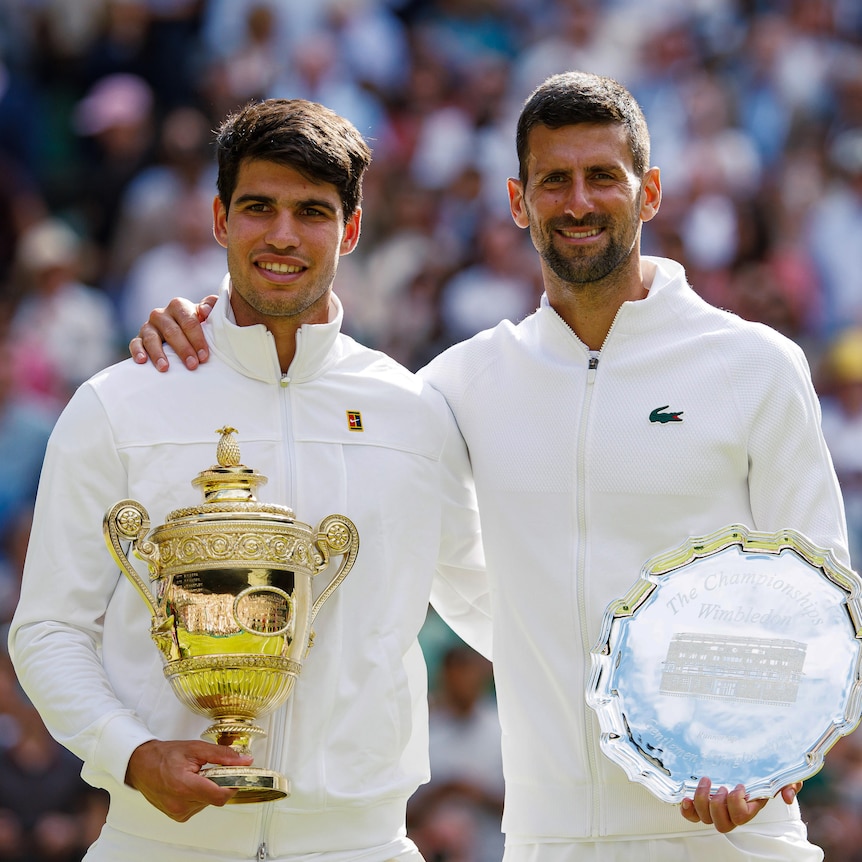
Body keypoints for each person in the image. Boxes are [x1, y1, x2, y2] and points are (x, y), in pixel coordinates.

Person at [132, 72, 846, 861]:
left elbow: (825, 593)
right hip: (550, 839)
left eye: (603, 176)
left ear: (649, 195)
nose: (578, 202)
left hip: (734, 829)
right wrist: (210, 322)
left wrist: (768, 746)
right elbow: (464, 578)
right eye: (554, 181)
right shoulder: (458, 384)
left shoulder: (755, 365)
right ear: (518, 200)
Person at [9, 98, 489, 862]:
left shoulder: (415, 414)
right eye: (259, 207)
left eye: (313, 212)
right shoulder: (120, 402)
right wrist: (132, 753)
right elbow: (48, 629)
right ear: (219, 219)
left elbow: (495, 607)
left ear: (352, 228)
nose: (284, 235)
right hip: (157, 842)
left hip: (358, 843)